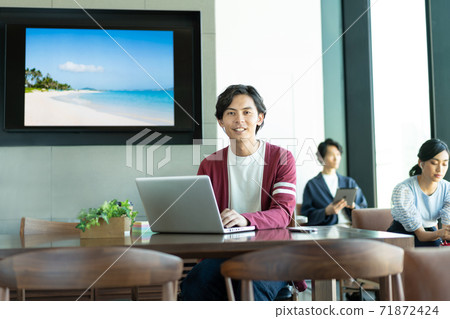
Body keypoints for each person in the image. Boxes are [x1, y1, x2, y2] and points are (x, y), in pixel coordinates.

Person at [179, 84, 300, 301]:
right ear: (221, 121)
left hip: (271, 253)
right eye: (231, 113)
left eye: (247, 112)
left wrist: (245, 220)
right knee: (194, 285)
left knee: (251, 286)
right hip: (223, 254)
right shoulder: (209, 165)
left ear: (260, 118)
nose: (239, 120)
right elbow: (202, 215)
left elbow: (283, 213)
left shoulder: (282, 159)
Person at [387, 138, 450, 247]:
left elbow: (446, 228)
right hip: (403, 236)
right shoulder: (403, 190)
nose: (440, 169)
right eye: (434, 163)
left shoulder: (447, 188)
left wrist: (445, 232)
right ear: (421, 163)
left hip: (431, 232)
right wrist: (441, 233)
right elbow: (421, 235)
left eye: (444, 164)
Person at [301, 138, 367, 226]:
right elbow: (306, 216)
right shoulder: (312, 185)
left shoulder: (349, 182)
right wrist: (325, 211)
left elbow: (364, 208)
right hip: (327, 229)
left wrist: (354, 206)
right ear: (321, 158)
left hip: (352, 227)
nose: (336, 158)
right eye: (331, 155)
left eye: (338, 154)